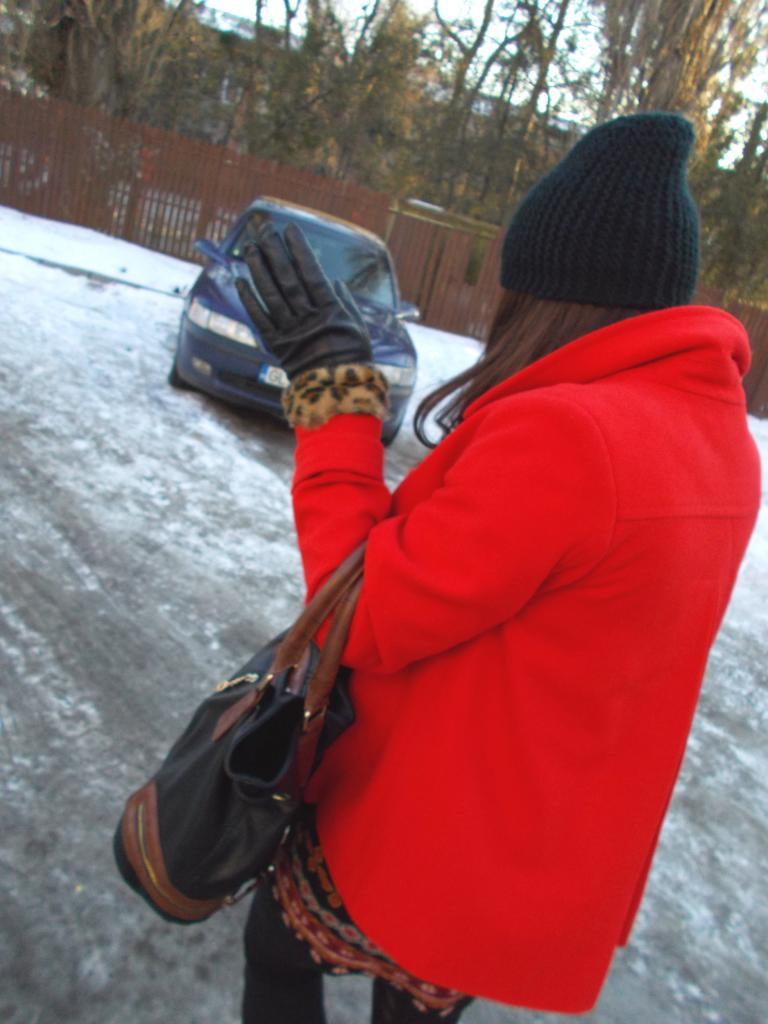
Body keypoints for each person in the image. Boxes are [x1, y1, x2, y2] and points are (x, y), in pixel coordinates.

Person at [234, 112, 761, 1023]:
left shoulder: (570, 431)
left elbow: (361, 617)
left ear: (550, 294)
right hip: (539, 858)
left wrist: (335, 401)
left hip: (435, 835)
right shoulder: (716, 439)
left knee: (276, 956)